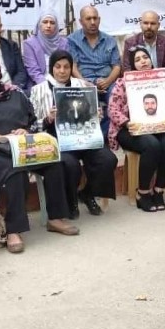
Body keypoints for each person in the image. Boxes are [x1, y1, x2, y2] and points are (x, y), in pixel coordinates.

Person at [0, 53, 76, 253]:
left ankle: (55, 218)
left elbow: (33, 121)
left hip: (21, 144)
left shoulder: (15, 92)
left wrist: (26, 130)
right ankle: (14, 229)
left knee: (54, 161)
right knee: (15, 169)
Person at [29, 50, 117, 218]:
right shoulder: (38, 90)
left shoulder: (82, 85)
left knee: (107, 159)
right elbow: (32, 125)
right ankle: (71, 201)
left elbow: (92, 114)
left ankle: (88, 193)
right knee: (70, 164)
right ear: (51, 68)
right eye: (58, 67)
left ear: (71, 68)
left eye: (66, 67)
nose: (62, 71)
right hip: (56, 139)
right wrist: (48, 118)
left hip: (84, 136)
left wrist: (96, 115)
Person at [107, 47, 165, 213]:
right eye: (137, 59)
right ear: (133, 64)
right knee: (151, 145)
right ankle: (143, 192)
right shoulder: (123, 82)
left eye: (145, 57)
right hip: (129, 129)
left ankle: (159, 190)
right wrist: (127, 123)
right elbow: (112, 109)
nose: (143, 61)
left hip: (158, 127)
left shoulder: (160, 80)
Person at [123, 11, 165, 78]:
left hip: (161, 81)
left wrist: (163, 81)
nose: (149, 27)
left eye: (153, 23)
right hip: (138, 82)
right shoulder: (130, 43)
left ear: (158, 25)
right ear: (141, 24)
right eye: (146, 23)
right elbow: (127, 69)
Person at [22, 10, 69, 86]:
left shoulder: (64, 43)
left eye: (52, 23)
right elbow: (33, 70)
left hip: (61, 82)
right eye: (45, 22)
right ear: (39, 24)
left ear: (56, 26)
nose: (48, 25)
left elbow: (67, 66)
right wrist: (47, 85)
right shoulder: (29, 43)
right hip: (39, 84)